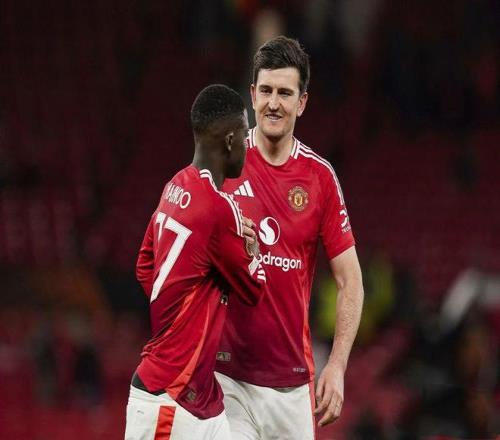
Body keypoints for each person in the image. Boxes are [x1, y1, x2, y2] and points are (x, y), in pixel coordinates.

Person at [215, 36, 364, 439]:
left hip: (292, 386)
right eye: (266, 91)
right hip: (226, 379)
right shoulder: (220, 165)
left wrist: (337, 365)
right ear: (252, 95)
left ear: (302, 102)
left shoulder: (320, 178)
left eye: (285, 93)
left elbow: (351, 281)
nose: (273, 103)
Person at [125, 84, 267, 440]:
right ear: (230, 140)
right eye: (245, 136)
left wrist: (180, 307)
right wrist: (252, 249)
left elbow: (144, 265)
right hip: (169, 397)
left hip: (201, 400)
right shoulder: (219, 208)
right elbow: (254, 290)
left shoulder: (174, 186)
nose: (248, 146)